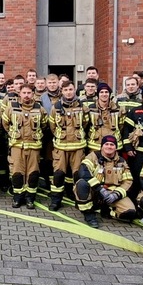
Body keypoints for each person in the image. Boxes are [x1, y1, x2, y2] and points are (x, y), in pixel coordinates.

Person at [2, 84, 48, 209]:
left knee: (32, 173)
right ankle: (18, 197)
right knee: (17, 173)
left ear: (33, 94)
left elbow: (44, 125)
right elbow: (5, 123)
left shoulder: (40, 109)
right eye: (24, 93)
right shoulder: (11, 107)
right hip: (17, 146)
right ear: (20, 94)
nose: (26, 95)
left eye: (29, 93)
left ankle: (30, 198)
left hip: (34, 147)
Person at [74, 136, 136, 228]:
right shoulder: (93, 156)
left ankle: (107, 211)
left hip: (111, 193)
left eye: (112, 144)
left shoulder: (121, 161)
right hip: (95, 191)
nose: (109, 147)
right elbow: (83, 172)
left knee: (129, 212)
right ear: (102, 146)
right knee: (82, 184)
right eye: (106, 144)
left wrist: (116, 194)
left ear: (116, 147)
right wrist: (100, 189)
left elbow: (128, 181)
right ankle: (89, 215)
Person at [48, 80, 89, 210]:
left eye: (70, 89)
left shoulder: (82, 106)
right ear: (62, 91)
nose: (68, 92)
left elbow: (85, 124)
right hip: (60, 147)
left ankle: (78, 199)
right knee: (59, 174)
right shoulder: (56, 107)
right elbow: (52, 126)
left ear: (74, 90)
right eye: (65, 90)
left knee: (77, 175)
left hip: (78, 147)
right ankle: (56, 200)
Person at [86, 83, 123, 153]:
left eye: (106, 92)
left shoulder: (118, 109)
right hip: (95, 145)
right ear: (98, 94)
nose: (104, 94)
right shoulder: (90, 108)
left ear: (109, 94)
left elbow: (122, 127)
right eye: (101, 92)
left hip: (112, 146)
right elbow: (86, 126)